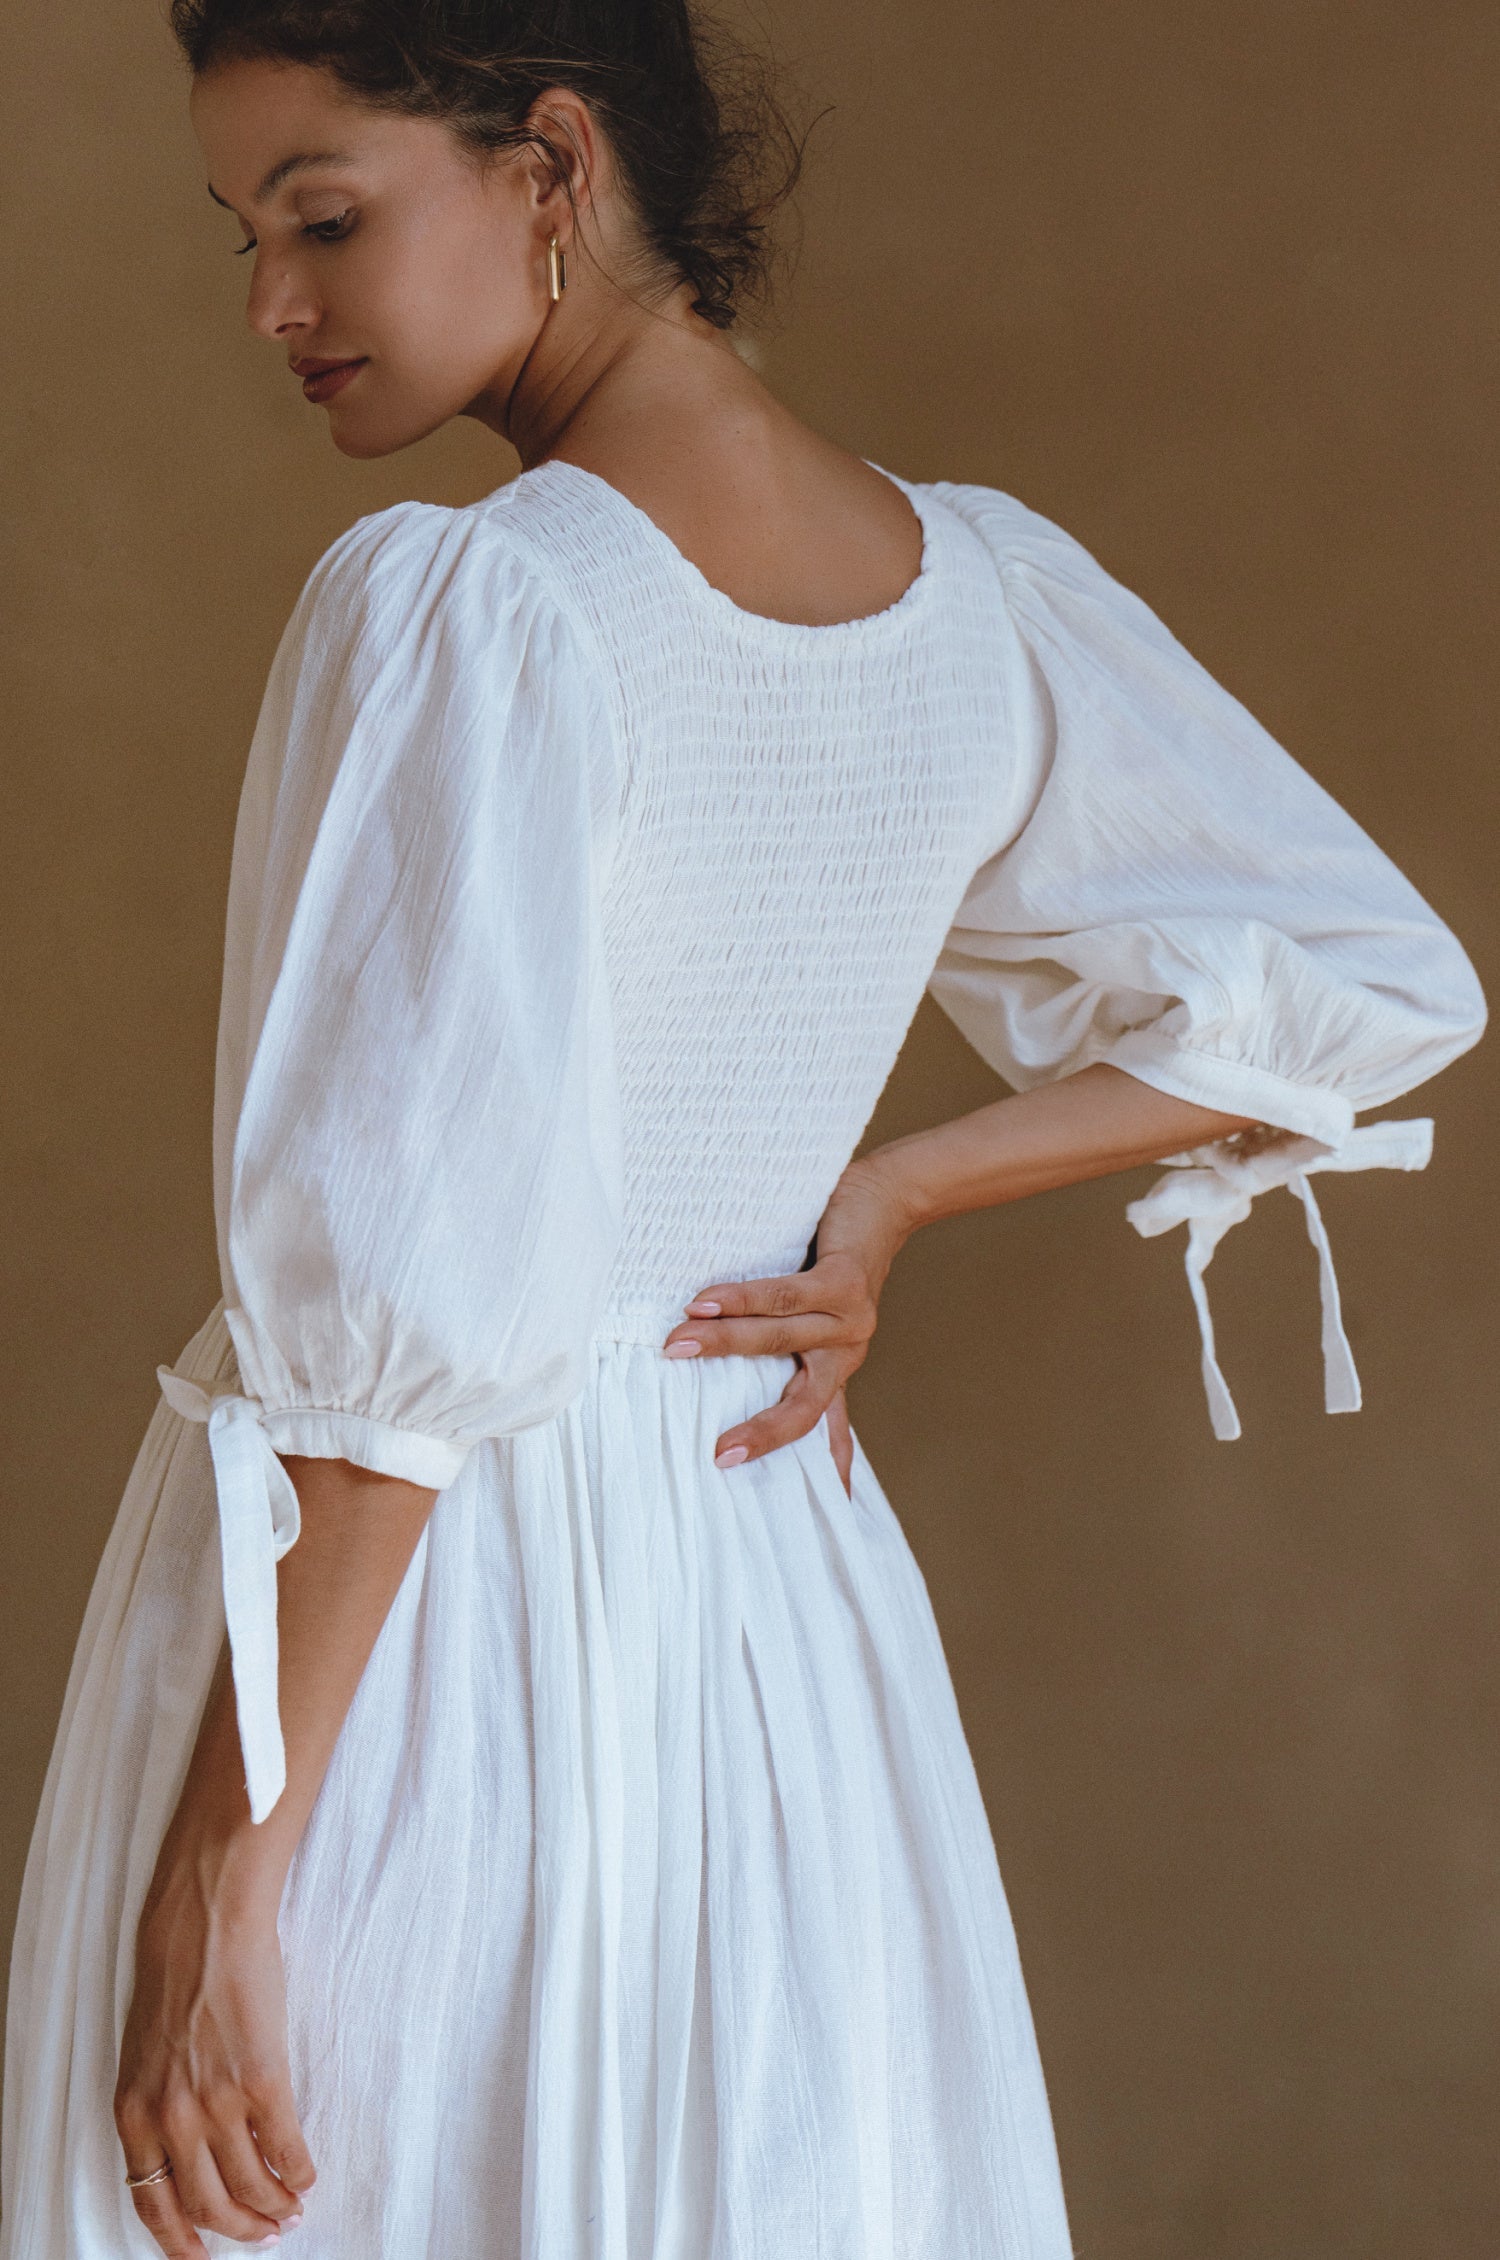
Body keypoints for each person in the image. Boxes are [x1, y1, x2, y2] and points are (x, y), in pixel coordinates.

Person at [1, 2, 1485, 2255]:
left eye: (324, 221)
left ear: (550, 167)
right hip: (765, 1601)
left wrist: (230, 1872)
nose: (273, 306)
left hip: (437, 1642)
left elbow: (396, 1357)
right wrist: (887, 1191)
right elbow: (1365, 972)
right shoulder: (970, 589)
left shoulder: (478, 607)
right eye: (244, 240)